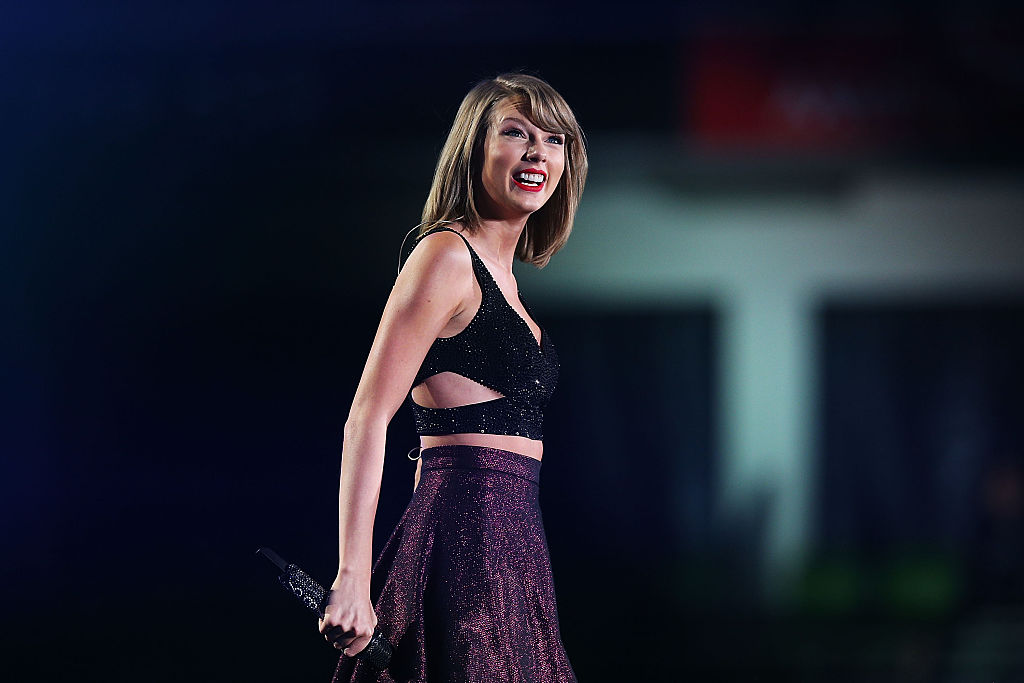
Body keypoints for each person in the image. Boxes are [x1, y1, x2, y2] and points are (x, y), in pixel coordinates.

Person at [319, 72, 588, 683]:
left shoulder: (508, 281)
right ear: (475, 149)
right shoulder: (445, 256)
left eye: (553, 141)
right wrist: (353, 576)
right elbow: (367, 415)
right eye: (515, 133)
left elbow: (433, 442)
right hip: (471, 541)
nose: (536, 153)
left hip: (516, 546)